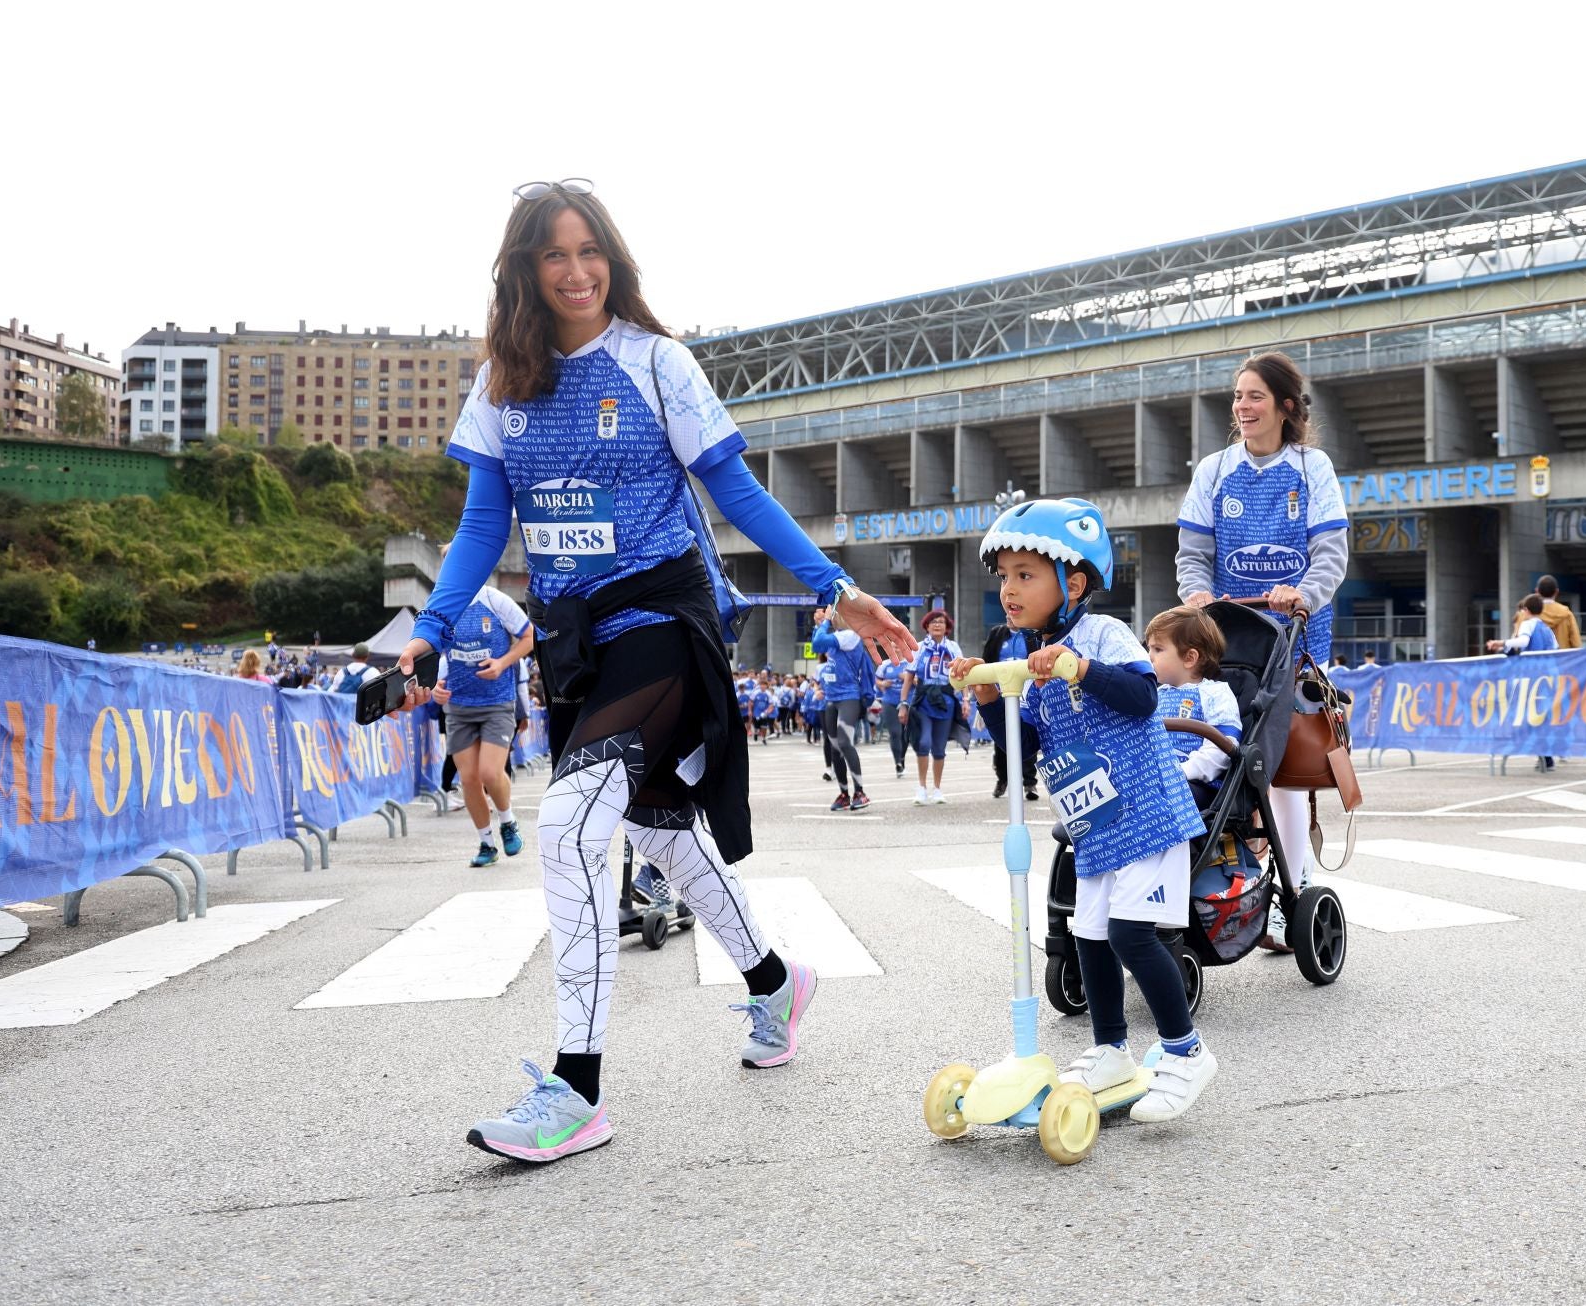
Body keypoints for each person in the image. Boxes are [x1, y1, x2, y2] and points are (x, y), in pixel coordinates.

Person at [393, 181, 915, 1163]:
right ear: (523, 269)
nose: (577, 270)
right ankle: (773, 981)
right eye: (555, 254)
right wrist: (429, 627)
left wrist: (836, 587)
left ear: (614, 259)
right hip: (572, 637)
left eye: (591, 249)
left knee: (569, 825)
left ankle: (577, 1087)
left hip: (667, 616)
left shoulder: (654, 362)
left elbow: (737, 493)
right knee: (655, 830)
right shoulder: (501, 384)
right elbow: (479, 526)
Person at [956, 498, 1217, 1123]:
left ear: (1072, 583)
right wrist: (993, 697)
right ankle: (1111, 1052)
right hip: (1095, 824)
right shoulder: (1022, 648)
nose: (1009, 589)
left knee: (1129, 934)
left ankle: (1185, 1052)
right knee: (1089, 935)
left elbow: (1140, 694)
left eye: (1025, 575)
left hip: (1147, 815)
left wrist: (1080, 667)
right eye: (1003, 576)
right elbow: (1024, 745)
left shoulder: (1102, 634)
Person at [1176, 350, 1349, 950]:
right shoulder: (1215, 470)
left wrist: (1304, 594)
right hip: (1228, 637)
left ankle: (1294, 890)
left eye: (1254, 397)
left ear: (1285, 406)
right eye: (1237, 397)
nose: (1241, 407)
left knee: (1283, 772)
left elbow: (1330, 551)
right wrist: (1197, 594)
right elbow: (1193, 552)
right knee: (1228, 755)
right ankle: (1234, 880)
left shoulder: (1312, 467)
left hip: (1297, 637)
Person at [432, 542, 536, 866]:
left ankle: (507, 822)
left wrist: (503, 663)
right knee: (468, 780)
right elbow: (430, 652)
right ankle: (486, 844)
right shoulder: (440, 605)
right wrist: (433, 686)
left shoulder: (495, 600)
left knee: (490, 773)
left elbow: (530, 636)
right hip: (458, 705)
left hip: (496, 702)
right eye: (450, 562)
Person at [1145, 605, 1242, 809]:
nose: (1149, 656)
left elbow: (1222, 748)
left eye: (1158, 649)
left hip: (1196, 783)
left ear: (1190, 658)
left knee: (1153, 798)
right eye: (1149, 649)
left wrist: (1181, 771)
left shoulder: (1215, 694)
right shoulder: (1155, 694)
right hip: (1156, 779)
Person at [811, 606, 876, 811]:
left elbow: (818, 642)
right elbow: (819, 647)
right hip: (831, 698)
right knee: (834, 747)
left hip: (849, 696)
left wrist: (825, 622)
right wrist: (821, 622)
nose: (832, 617)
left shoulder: (850, 635)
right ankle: (843, 794)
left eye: (834, 615)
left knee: (845, 742)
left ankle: (860, 792)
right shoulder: (837, 635)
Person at [1487, 594, 1560, 772]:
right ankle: (1546, 757)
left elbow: (1524, 641)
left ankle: (1519, 746)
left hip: (1532, 677)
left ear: (1526, 611)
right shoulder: (1547, 628)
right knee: (1541, 717)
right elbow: (1556, 649)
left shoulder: (1528, 624)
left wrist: (1501, 643)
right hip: (1548, 677)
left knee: (1523, 714)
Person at [900, 609, 963, 805]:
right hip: (923, 700)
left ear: (947, 627)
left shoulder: (953, 648)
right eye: (933, 622)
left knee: (939, 748)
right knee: (923, 743)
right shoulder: (918, 648)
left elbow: (963, 675)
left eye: (941, 622)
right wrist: (903, 704)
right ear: (926, 626)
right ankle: (921, 787)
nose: (937, 625)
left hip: (946, 701)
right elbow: (909, 677)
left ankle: (937, 788)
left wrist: (966, 700)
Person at [980, 620, 1040, 802]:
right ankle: (1002, 779)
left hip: (1025, 693)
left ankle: (1030, 782)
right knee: (1002, 741)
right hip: (1001, 693)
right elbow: (987, 659)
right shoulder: (997, 633)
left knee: (1025, 735)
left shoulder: (1031, 634)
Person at [1534, 575, 1583, 649]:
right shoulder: (1567, 614)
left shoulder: (1529, 614)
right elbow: (1576, 643)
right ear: (1557, 591)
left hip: (1536, 659)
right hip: (1562, 659)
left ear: (1537, 591)